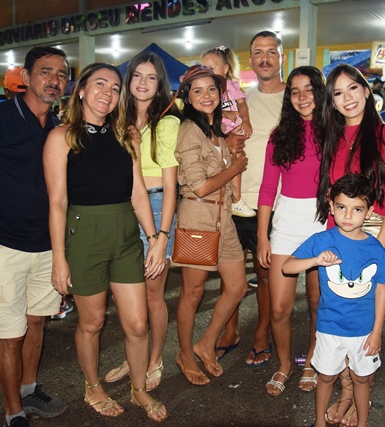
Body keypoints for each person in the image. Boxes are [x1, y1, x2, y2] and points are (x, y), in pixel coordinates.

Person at [43, 63, 167, 421]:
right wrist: (59, 259)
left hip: (125, 236)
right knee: (92, 322)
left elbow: (138, 192)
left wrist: (154, 238)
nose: (108, 93)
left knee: (138, 324)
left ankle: (139, 389)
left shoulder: (127, 135)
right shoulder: (61, 137)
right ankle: (93, 386)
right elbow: (57, 202)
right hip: (84, 236)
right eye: (100, 84)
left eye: (115, 88)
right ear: (81, 90)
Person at [0, 46, 69, 427]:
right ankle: (13, 411)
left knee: (36, 323)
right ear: (25, 77)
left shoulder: (58, 127)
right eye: (46, 71)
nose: (54, 80)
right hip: (5, 247)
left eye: (61, 74)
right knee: (10, 335)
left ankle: (29, 389)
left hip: (47, 247)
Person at [317, 63, 385, 426]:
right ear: (332, 102)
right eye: (338, 93)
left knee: (368, 322)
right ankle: (346, 393)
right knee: (342, 318)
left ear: (367, 91)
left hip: (376, 234)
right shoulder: (333, 139)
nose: (347, 98)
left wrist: (377, 248)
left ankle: (360, 396)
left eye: (353, 88)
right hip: (339, 236)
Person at [283, 173, 385, 427]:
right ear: (331, 207)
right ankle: (320, 422)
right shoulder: (322, 241)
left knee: (361, 379)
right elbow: (287, 266)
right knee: (326, 377)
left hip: (364, 330)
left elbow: (382, 291)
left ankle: (362, 423)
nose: (348, 215)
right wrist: (315, 260)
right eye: (341, 207)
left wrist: (377, 332)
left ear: (369, 212)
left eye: (357, 209)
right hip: (329, 327)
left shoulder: (376, 248)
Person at [103, 50, 182, 392]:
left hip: (157, 205)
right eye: (137, 75)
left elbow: (171, 186)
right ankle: (134, 354)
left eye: (152, 77)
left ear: (160, 83)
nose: (143, 83)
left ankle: (155, 359)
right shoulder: (114, 119)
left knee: (152, 295)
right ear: (128, 79)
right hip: (121, 207)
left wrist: (162, 237)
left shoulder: (167, 122)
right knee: (124, 295)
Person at [214, 30, 286, 369]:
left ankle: (261, 334)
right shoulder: (238, 96)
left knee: (265, 273)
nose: (265, 58)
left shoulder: (295, 98)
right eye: (258, 52)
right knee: (230, 274)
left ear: (282, 57)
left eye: (271, 51)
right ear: (250, 59)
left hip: (274, 202)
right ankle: (230, 331)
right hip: (234, 198)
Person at [173, 65, 248, 386]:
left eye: (212, 89)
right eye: (198, 90)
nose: (206, 95)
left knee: (238, 286)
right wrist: (235, 168)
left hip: (223, 216)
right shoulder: (189, 129)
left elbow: (234, 190)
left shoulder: (216, 131)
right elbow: (201, 186)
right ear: (187, 97)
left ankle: (206, 343)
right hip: (198, 215)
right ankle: (184, 354)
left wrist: (234, 159)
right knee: (192, 293)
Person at [256, 66, 327, 395]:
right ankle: (284, 365)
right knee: (279, 307)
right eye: (295, 91)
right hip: (285, 226)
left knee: (317, 303)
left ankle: (311, 361)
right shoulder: (280, 135)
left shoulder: (334, 131)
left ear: (320, 92)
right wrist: (262, 237)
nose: (302, 96)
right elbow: (267, 189)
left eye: (309, 89)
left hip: (322, 224)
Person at [200, 45, 255, 218]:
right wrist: (223, 113)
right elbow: (204, 110)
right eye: (203, 68)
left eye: (211, 68)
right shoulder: (207, 90)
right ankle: (232, 198)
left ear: (225, 68)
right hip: (217, 131)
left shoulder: (231, 86)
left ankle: (235, 199)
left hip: (233, 129)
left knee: (237, 159)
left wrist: (245, 120)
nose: (207, 72)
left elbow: (242, 104)